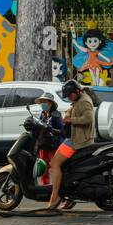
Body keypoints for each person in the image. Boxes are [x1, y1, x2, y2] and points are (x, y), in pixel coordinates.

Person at [45, 79, 94, 211]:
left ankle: (55, 197)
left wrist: (69, 119)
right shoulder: (80, 99)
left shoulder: (83, 101)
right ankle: (69, 198)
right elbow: (73, 107)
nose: (70, 98)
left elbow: (88, 118)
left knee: (54, 164)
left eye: (70, 95)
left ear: (76, 91)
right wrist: (68, 112)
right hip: (77, 138)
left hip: (77, 140)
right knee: (66, 167)